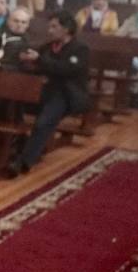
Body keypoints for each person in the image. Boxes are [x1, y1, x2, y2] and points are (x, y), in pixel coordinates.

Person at [8, 10, 90, 175]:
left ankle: (24, 162)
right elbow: (39, 66)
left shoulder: (80, 49)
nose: (50, 30)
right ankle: (18, 146)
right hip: (44, 91)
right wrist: (26, 60)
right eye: (50, 26)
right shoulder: (48, 47)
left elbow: (66, 69)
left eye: (54, 27)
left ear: (66, 29)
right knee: (12, 104)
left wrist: (39, 60)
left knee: (43, 122)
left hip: (67, 95)